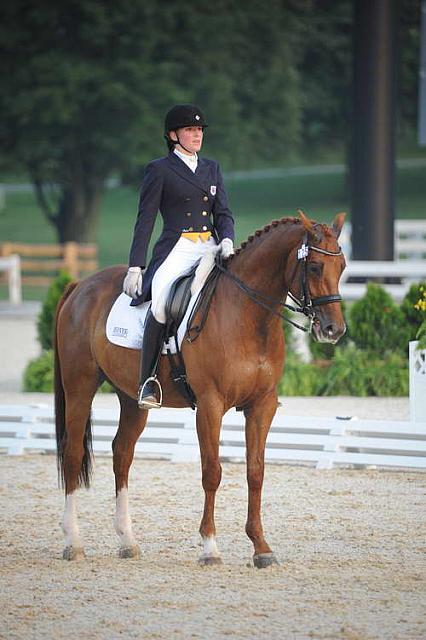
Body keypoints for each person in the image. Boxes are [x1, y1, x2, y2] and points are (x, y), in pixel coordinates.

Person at [123, 104, 235, 409]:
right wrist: (136, 265)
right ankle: (148, 381)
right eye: (190, 130)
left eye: (199, 130)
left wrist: (226, 238)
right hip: (177, 247)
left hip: (209, 246)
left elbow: (223, 212)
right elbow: (145, 220)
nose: (197, 135)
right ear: (174, 135)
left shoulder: (212, 168)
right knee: (160, 305)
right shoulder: (159, 169)